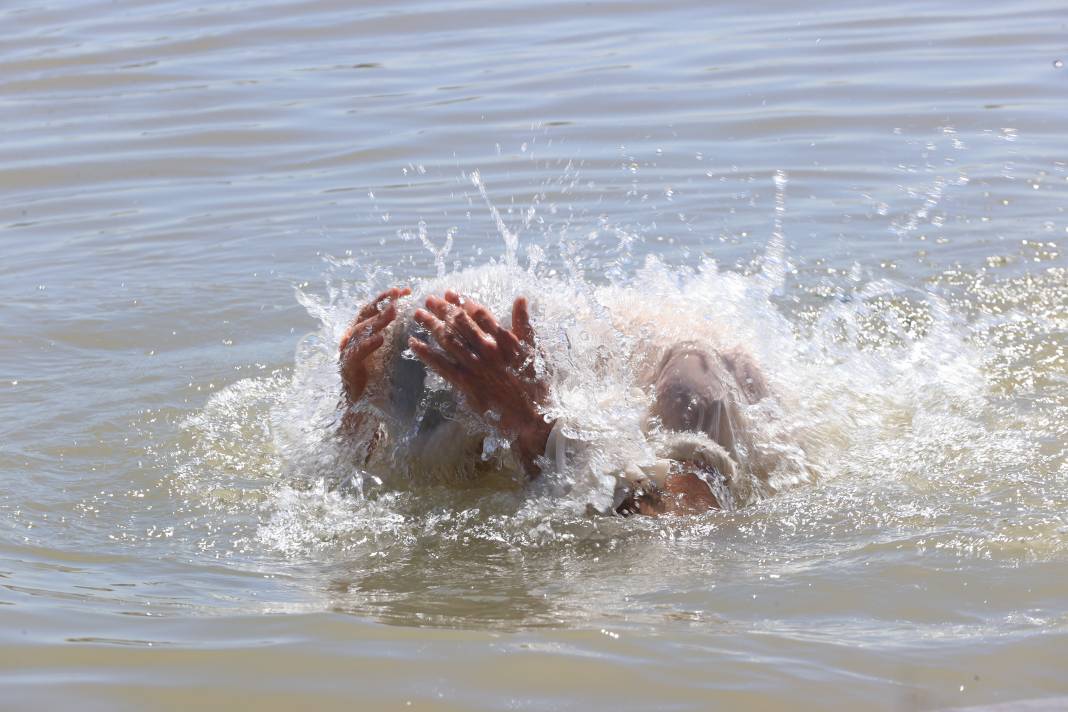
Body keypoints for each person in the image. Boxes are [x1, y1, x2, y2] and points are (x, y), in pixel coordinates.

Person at [338, 286, 776, 516]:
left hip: (712, 375)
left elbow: (689, 520)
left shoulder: (688, 384)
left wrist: (536, 428)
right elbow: (379, 481)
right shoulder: (428, 412)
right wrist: (357, 409)